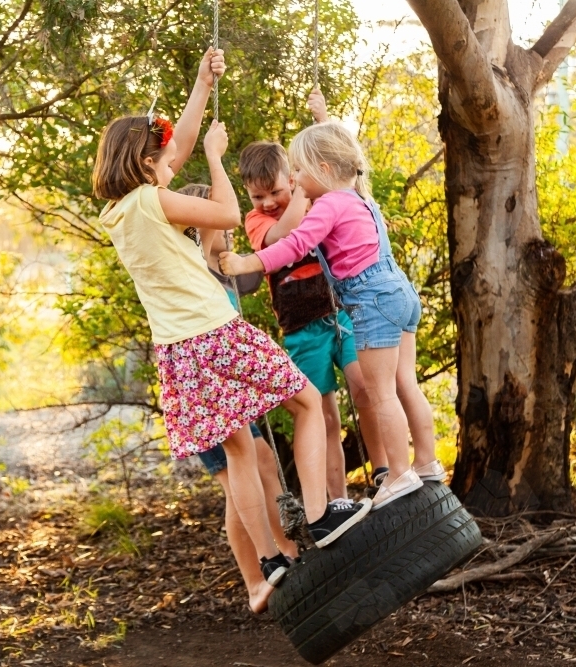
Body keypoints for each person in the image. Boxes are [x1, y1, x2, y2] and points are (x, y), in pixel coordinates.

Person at [92, 47, 341, 613]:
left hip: (178, 353)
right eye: (164, 153)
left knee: (240, 456)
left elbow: (172, 144)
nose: (172, 155)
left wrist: (203, 85)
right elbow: (229, 215)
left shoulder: (120, 210)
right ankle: (323, 514)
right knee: (305, 402)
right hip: (215, 333)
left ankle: (270, 563)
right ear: (146, 161)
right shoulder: (154, 201)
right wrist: (217, 158)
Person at [219, 120, 443, 510]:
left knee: (380, 392)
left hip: (369, 301)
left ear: (322, 169)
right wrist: (322, 123)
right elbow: (332, 158)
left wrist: (246, 264)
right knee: (405, 383)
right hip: (397, 290)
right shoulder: (361, 196)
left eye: (299, 172)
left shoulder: (328, 204)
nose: (297, 179)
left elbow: (296, 244)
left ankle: (399, 473)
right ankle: (427, 463)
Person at [238, 90, 390, 500]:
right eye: (258, 196)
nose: (268, 202)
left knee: (364, 385)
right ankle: (337, 496)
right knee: (324, 415)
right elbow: (278, 238)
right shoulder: (259, 220)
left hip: (339, 312)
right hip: (302, 330)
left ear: (292, 177)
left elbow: (338, 165)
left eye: (275, 191)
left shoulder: (315, 194)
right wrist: (298, 198)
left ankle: (383, 468)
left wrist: (323, 119)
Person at [176, 183, 299, 606]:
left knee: (262, 460)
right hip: (202, 394)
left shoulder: (222, 271)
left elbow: (256, 268)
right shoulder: (192, 270)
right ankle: (253, 582)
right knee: (235, 481)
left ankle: (287, 551)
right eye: (218, 221)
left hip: (225, 393)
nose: (229, 229)